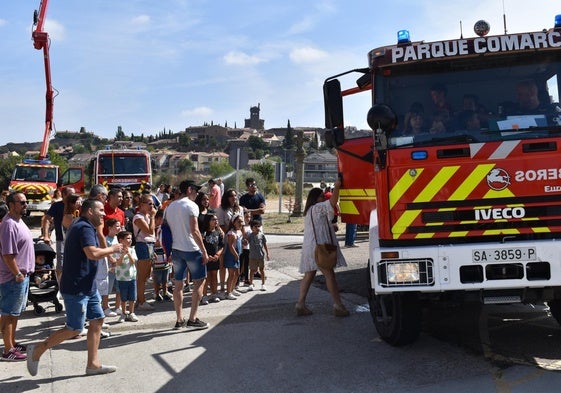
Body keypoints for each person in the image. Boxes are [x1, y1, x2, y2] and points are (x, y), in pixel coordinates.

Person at [27, 198, 124, 376]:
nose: (104, 213)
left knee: (97, 320)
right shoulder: (84, 227)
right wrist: (113, 249)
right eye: (101, 210)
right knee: (74, 328)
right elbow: (92, 253)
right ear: (90, 212)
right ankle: (37, 350)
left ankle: (93, 365)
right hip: (76, 287)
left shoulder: (83, 224)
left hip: (88, 286)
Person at [295, 178, 349, 318]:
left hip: (310, 247)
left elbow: (318, 226)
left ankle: (300, 304)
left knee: (309, 275)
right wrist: (336, 187)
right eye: (321, 196)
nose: (323, 198)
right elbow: (333, 202)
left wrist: (330, 227)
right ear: (315, 198)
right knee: (330, 275)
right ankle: (338, 305)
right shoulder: (318, 207)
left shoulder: (309, 211)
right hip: (320, 249)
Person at [164, 180, 210, 330]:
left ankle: (179, 320)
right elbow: (195, 231)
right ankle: (193, 318)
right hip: (192, 249)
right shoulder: (191, 206)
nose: (197, 194)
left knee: (178, 285)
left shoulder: (170, 207)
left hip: (176, 249)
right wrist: (204, 251)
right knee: (199, 282)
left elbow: (166, 231)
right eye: (196, 190)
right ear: (189, 190)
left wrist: (168, 251)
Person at [0, 191, 35, 361]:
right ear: (11, 204)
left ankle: (12, 343)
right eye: (22, 202)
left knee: (15, 313)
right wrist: (17, 273)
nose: (25, 205)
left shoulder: (18, 221)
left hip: (21, 276)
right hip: (13, 277)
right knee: (8, 313)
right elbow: (7, 254)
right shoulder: (8, 225)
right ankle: (8, 351)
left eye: (26, 202)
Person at [41, 186, 75, 283]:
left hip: (76, 240)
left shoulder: (76, 206)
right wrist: (46, 235)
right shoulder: (57, 206)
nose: (73, 197)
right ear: (63, 195)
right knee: (61, 263)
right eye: (70, 195)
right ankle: (61, 285)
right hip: (61, 239)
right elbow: (47, 219)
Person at [133, 193, 157, 311]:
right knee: (142, 276)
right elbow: (150, 231)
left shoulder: (146, 216)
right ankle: (141, 301)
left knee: (147, 274)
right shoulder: (138, 217)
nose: (152, 206)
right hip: (142, 245)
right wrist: (152, 217)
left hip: (149, 245)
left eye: (153, 204)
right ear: (142, 205)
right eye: (149, 204)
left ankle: (140, 299)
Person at [216, 188, 242, 292]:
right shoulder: (221, 209)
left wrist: (241, 235)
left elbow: (241, 223)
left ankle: (231, 287)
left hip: (236, 239)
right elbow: (220, 225)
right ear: (226, 198)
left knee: (234, 265)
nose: (234, 198)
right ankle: (222, 287)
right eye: (231, 196)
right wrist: (230, 232)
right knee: (223, 265)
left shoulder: (238, 209)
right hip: (225, 240)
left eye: (235, 196)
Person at [114, 231, 139, 323]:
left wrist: (128, 253)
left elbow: (133, 262)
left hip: (131, 277)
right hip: (121, 277)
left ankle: (132, 313)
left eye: (131, 238)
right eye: (128, 238)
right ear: (121, 240)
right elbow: (118, 263)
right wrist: (123, 254)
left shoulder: (132, 249)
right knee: (123, 297)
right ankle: (123, 313)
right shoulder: (117, 250)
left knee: (132, 296)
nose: (130, 240)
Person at [201, 213, 224, 304]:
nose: (216, 221)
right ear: (208, 221)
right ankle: (204, 295)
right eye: (213, 220)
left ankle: (214, 294)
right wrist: (206, 255)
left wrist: (217, 255)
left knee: (214, 275)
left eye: (216, 219)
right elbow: (200, 245)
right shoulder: (203, 233)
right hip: (206, 257)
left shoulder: (218, 232)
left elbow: (221, 246)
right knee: (206, 277)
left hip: (215, 258)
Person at [153, 209, 172, 303]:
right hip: (157, 255)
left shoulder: (165, 228)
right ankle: (157, 293)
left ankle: (165, 292)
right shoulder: (153, 229)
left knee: (165, 276)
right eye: (160, 218)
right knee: (157, 276)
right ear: (156, 218)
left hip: (164, 254)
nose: (162, 221)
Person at [223, 214, 244, 300]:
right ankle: (228, 292)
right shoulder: (231, 233)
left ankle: (232, 289)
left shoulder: (239, 232)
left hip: (237, 255)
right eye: (238, 222)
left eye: (241, 222)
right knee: (231, 274)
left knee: (237, 273)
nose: (241, 223)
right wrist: (235, 255)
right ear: (233, 222)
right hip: (231, 255)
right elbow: (231, 246)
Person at [105, 218, 122, 314]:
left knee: (119, 288)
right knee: (108, 288)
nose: (119, 228)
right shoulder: (106, 239)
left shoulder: (117, 238)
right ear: (110, 228)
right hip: (110, 268)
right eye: (117, 226)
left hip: (119, 267)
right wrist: (111, 259)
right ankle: (106, 307)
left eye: (119, 226)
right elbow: (107, 252)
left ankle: (117, 306)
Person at [246, 219, 270, 291]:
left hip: (260, 256)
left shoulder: (262, 235)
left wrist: (267, 253)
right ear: (252, 228)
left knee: (262, 270)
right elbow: (246, 242)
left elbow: (265, 244)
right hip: (252, 256)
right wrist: (244, 241)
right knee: (252, 270)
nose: (257, 228)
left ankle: (263, 284)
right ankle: (251, 284)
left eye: (258, 226)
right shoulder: (250, 236)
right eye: (255, 227)